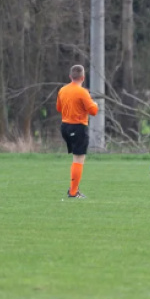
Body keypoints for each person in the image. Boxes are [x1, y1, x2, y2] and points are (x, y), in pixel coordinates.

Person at [56, 65, 100, 199]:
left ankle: (74, 189)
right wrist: (95, 104)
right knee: (78, 159)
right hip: (78, 127)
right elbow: (93, 111)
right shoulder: (82, 92)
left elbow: (59, 108)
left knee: (76, 158)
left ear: (70, 76)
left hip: (65, 126)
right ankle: (73, 192)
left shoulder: (62, 90)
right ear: (83, 78)